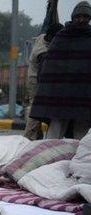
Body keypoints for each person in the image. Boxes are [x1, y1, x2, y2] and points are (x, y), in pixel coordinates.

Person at [31, 1, 91, 139]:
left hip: (84, 95)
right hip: (60, 96)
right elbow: (50, 67)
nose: (81, 19)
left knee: (82, 134)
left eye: (85, 16)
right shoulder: (61, 37)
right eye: (78, 16)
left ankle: (78, 160)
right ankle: (48, 158)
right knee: (55, 130)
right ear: (73, 17)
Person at [24, 23, 64, 140]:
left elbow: (49, 20)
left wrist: (52, 6)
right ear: (53, 37)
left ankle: (36, 136)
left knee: (35, 110)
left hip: (33, 80)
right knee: (35, 111)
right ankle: (29, 137)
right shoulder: (44, 53)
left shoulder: (41, 38)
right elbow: (44, 73)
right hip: (38, 83)